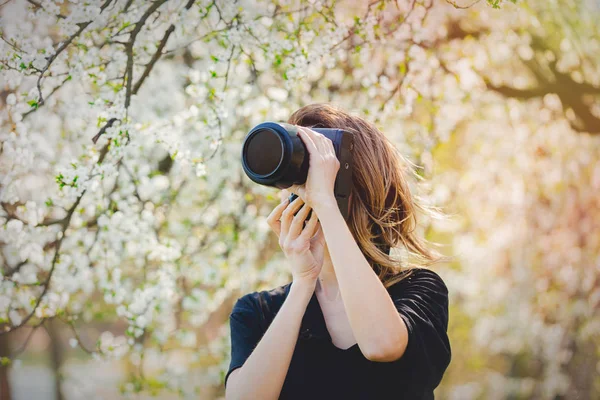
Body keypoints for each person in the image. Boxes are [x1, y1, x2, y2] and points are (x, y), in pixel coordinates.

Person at [224, 103, 452, 399]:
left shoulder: (418, 290)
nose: (304, 190)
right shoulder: (257, 312)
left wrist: (326, 205)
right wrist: (304, 283)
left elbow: (381, 344)